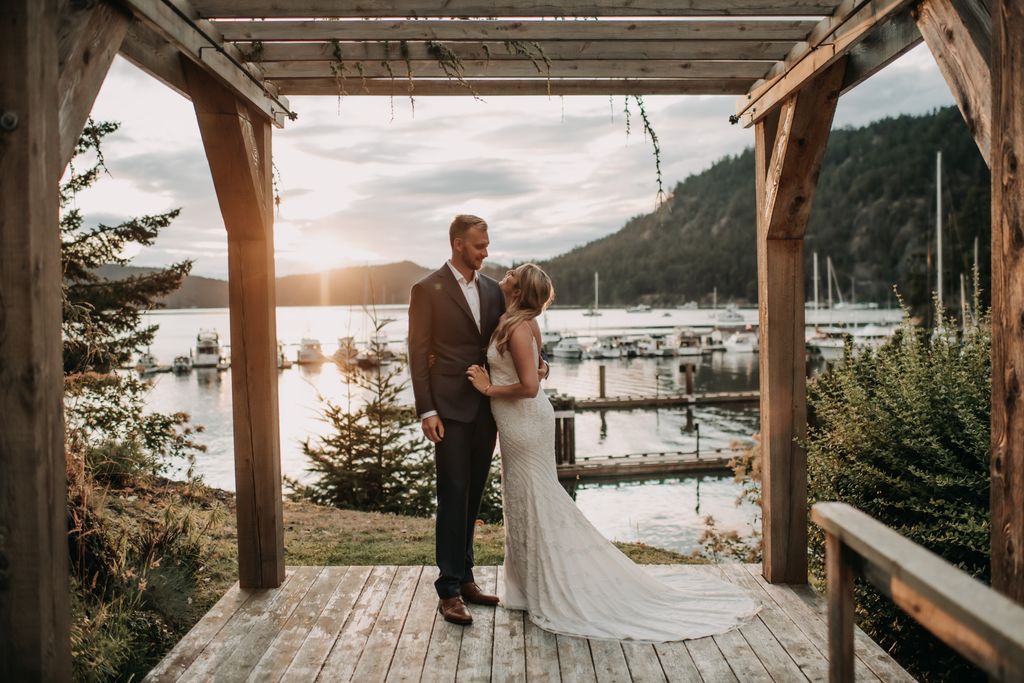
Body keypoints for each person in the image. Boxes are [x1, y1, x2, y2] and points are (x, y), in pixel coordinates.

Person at [466, 263, 761, 642]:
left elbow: (528, 386)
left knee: (535, 498)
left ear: (519, 290)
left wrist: (489, 389)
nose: (505, 274)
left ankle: (549, 586)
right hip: (519, 422)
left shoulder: (521, 326)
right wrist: (538, 371)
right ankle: (526, 587)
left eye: (512, 274)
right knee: (523, 500)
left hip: (524, 420)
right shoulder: (515, 321)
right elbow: (538, 370)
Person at [407, 215, 546, 625]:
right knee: (452, 493)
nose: (486, 252)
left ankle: (466, 577)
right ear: (457, 245)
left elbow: (513, 333)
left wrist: (539, 360)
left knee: (472, 496)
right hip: (447, 409)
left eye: (486, 245)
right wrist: (426, 409)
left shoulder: (492, 290)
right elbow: (417, 352)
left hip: (488, 410)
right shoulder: (426, 289)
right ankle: (448, 590)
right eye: (479, 246)